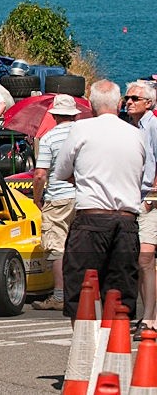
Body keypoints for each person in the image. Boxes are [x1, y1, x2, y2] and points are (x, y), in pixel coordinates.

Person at [54, 80, 144, 322]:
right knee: (120, 294)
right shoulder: (136, 135)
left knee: (81, 291)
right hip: (126, 219)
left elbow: (61, 171)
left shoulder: (81, 129)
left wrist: (82, 177)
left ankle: (86, 351)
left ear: (91, 106)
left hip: (92, 217)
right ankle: (117, 352)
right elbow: (143, 177)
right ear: (119, 105)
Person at [31, 94, 80, 311]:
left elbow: (40, 175)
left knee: (56, 246)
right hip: (84, 196)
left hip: (58, 197)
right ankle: (85, 291)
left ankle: (60, 295)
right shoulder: (83, 135)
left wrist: (37, 198)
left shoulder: (49, 138)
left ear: (55, 116)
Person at [124, 80, 157, 338]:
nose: (129, 101)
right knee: (138, 260)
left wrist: (151, 198)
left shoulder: (153, 125)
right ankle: (143, 314)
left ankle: (149, 319)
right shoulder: (133, 128)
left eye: (134, 98)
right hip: (135, 197)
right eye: (127, 98)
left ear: (149, 102)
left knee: (145, 259)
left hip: (150, 199)